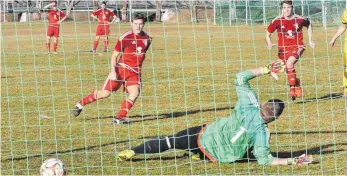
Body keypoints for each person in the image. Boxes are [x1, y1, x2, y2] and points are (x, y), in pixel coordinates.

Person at [117, 62, 313, 166]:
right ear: (275, 119)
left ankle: (134, 151)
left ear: (262, 104)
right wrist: (292, 160)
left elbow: (240, 78)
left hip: (206, 136)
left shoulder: (249, 104)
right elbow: (266, 160)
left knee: (173, 141)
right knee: (252, 150)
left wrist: (266, 69)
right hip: (218, 157)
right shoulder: (263, 133)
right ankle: (198, 155)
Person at [73, 14, 152, 124]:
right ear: (131, 24)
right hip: (121, 69)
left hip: (134, 72)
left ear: (144, 24)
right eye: (135, 24)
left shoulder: (147, 39)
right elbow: (114, 55)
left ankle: (119, 118)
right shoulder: (125, 37)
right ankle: (81, 103)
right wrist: (113, 72)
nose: (138, 27)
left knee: (135, 93)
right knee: (105, 93)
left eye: (140, 24)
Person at [266, 0, 315, 100]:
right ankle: (296, 82)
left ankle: (292, 91)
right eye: (284, 8)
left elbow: (309, 24)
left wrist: (310, 40)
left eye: (288, 8)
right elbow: (267, 34)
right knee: (284, 69)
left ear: (292, 8)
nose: (287, 10)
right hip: (283, 50)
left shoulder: (300, 19)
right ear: (282, 9)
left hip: (297, 46)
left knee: (289, 64)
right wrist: (269, 43)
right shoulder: (277, 20)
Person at [329, 10, 347, 98]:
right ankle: (346, 89)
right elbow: (343, 27)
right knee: (346, 68)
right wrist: (333, 39)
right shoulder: (346, 13)